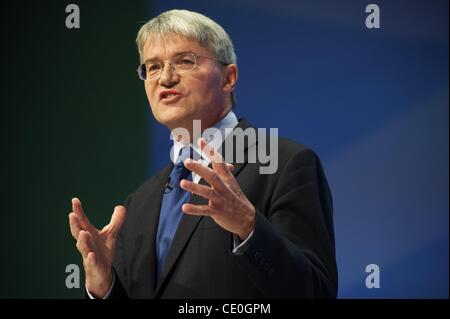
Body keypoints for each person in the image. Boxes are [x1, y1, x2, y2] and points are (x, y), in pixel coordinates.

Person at [68, 9, 338, 299]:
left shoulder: (283, 164)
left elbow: (316, 292)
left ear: (228, 78)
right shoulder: (140, 202)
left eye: (185, 61)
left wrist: (249, 227)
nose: (166, 78)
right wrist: (103, 287)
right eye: (153, 67)